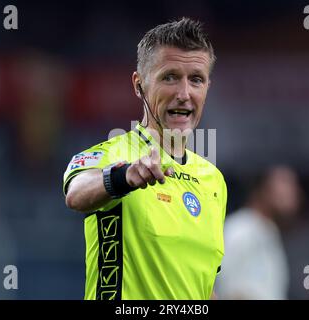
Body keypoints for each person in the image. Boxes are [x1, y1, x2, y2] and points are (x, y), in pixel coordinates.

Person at [63, 18, 227, 300]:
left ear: (207, 87)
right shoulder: (114, 155)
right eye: (170, 77)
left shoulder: (213, 180)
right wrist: (122, 177)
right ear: (139, 85)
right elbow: (76, 193)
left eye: (196, 79)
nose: (184, 94)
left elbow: (202, 285)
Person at [215, 165, 302, 300]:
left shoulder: (269, 231)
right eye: (285, 183)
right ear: (262, 189)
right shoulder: (240, 228)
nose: (294, 192)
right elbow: (225, 288)